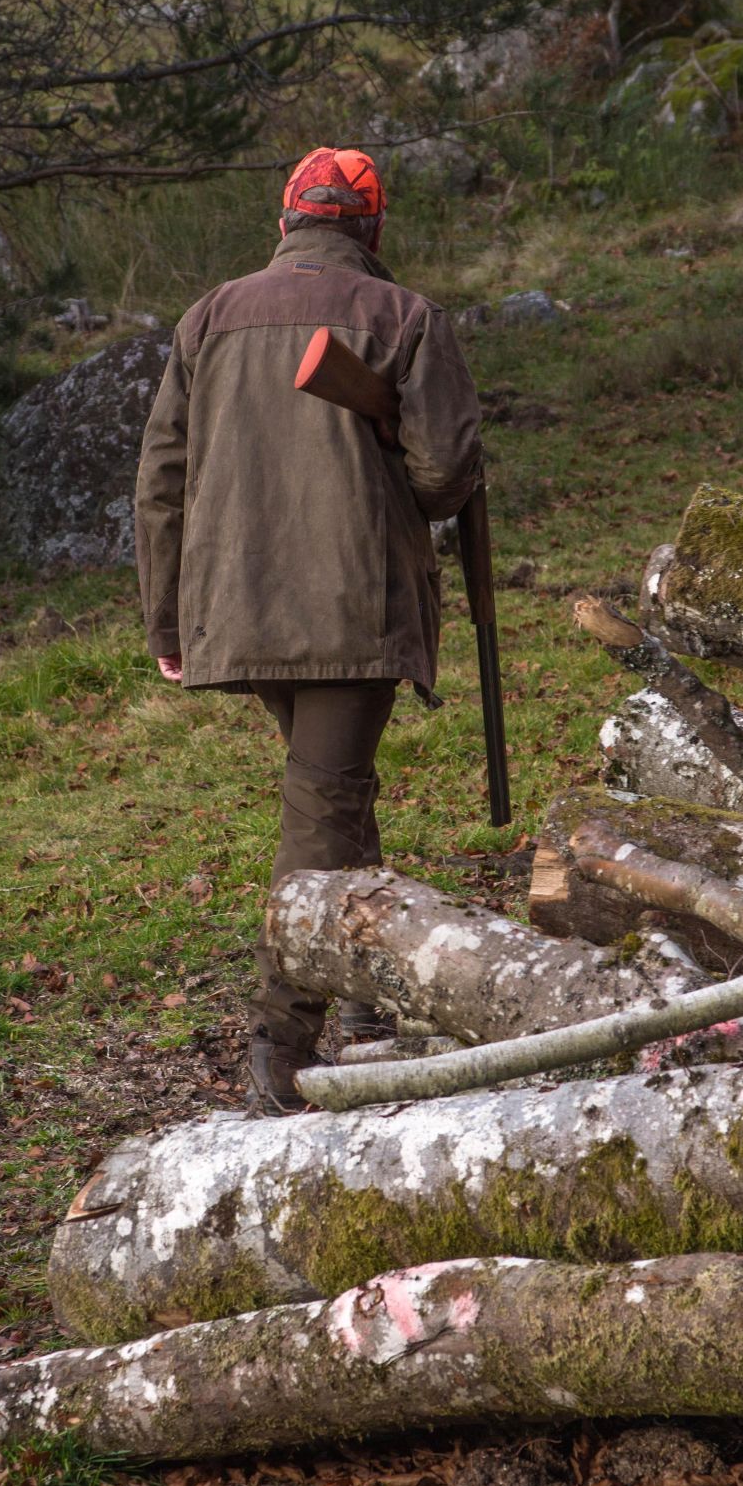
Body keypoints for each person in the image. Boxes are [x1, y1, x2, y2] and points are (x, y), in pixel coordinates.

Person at [134, 147, 484, 1112]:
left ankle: (366, 998)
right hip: (349, 605)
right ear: (370, 228)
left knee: (331, 793)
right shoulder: (407, 316)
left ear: (284, 220)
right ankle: (278, 1048)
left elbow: (161, 477)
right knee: (321, 815)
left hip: (235, 608)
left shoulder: (208, 315)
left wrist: (169, 620)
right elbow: (443, 478)